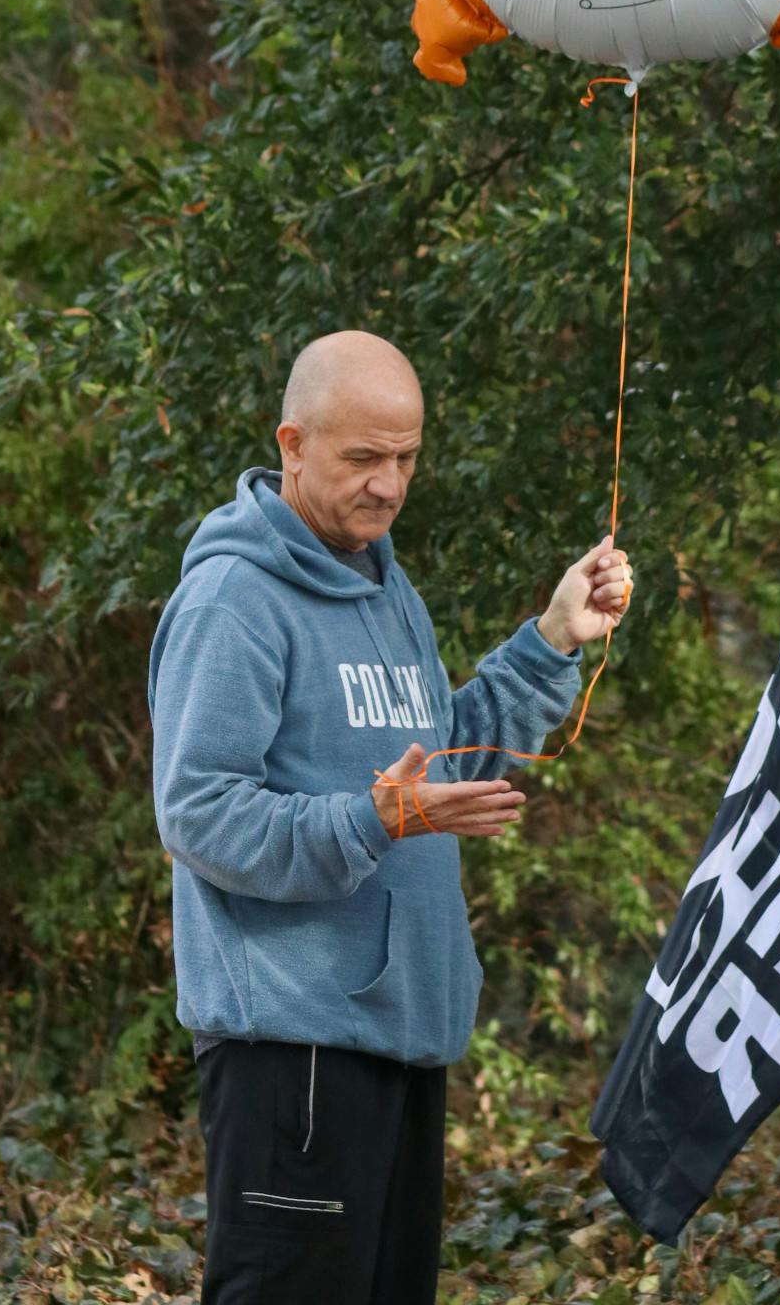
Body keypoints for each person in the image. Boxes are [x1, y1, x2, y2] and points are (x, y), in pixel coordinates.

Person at [147, 330, 634, 1305]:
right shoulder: (235, 598)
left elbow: (436, 751)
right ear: (293, 443)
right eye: (363, 457)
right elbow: (198, 808)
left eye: (406, 457)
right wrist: (374, 818)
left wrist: (551, 638)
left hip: (399, 1035)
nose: (388, 484)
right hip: (296, 1051)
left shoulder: (380, 579)